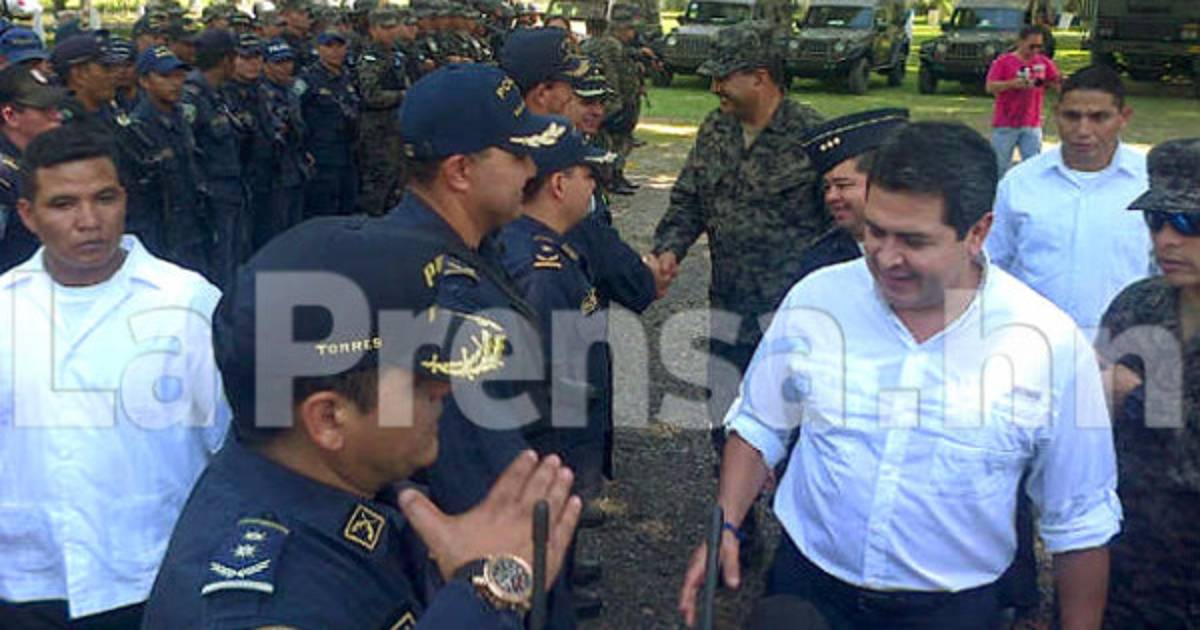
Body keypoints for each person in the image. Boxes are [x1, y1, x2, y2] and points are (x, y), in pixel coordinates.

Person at [677, 121, 1121, 630]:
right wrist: (727, 523)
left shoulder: (1050, 346)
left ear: (978, 232)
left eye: (914, 241)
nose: (887, 258)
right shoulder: (816, 299)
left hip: (951, 612)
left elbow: (1080, 520)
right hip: (807, 592)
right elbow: (760, 423)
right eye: (876, 231)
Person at [140, 216, 584, 629]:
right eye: (420, 378)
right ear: (329, 419)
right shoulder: (262, 608)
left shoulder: (336, 485)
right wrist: (489, 594)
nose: (445, 387)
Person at [0, 126, 229, 629]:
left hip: (154, 574)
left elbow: (230, 443)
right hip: (29, 581)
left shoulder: (184, 302)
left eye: (104, 198)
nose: (89, 221)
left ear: (124, 199)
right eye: (63, 204)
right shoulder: (5, 308)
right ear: (28, 216)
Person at [650, 20, 825, 556]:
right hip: (727, 308)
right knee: (728, 422)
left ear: (760, 77)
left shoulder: (813, 137)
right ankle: (737, 534)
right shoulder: (715, 129)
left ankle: (803, 545)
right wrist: (669, 249)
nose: (714, 88)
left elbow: (843, 225)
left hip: (792, 320)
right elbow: (689, 198)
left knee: (800, 430)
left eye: (724, 77)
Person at [1095, 137, 1200, 629]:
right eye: (1156, 221)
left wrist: (1136, 397)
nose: (1166, 240)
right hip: (1131, 566)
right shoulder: (1137, 304)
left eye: (1188, 223)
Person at [987, 64, 1150, 337]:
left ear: (1124, 117)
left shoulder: (1148, 183)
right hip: (1033, 344)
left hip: (1126, 346)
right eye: (1072, 116)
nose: (1083, 130)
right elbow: (992, 266)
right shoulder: (1020, 183)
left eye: (1099, 118)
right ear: (1056, 114)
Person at [119, 45, 210, 278]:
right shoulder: (138, 128)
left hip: (192, 222)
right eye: (165, 77)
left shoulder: (180, 116)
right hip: (163, 232)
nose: (175, 83)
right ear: (144, 81)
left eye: (179, 76)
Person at [793, 108, 909, 283]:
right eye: (827, 187)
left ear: (884, 182)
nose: (831, 197)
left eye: (843, 185)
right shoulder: (822, 259)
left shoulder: (932, 245)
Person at [183, 29, 248, 288]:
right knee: (219, 264)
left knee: (233, 258)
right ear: (226, 60)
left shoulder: (218, 93)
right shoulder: (192, 96)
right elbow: (188, 150)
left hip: (231, 190)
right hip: (212, 196)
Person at [0, 64, 62, 273]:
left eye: (56, 107)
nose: (57, 115)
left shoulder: (40, 158)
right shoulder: (4, 178)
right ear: (10, 115)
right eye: (45, 109)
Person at [582, 3, 643, 195]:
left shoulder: (586, 46)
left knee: (608, 140)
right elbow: (623, 76)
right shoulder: (612, 46)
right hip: (614, 101)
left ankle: (612, 176)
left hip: (602, 99)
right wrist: (628, 97)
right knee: (617, 140)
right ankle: (613, 177)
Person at [355, 6, 410, 216]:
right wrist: (401, 95)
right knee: (379, 180)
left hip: (396, 125)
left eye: (393, 27)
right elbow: (370, 95)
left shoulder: (397, 55)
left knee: (398, 178)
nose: (391, 32)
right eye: (385, 28)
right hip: (378, 129)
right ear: (373, 30)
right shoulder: (370, 58)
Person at [298, 29, 359, 218]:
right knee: (323, 209)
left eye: (339, 46)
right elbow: (295, 114)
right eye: (329, 46)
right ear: (318, 49)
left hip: (347, 151)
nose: (335, 51)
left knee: (348, 205)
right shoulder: (308, 79)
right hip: (322, 155)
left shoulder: (348, 76)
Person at [985, 25, 1061, 173]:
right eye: (1031, 46)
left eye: (1039, 46)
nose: (1035, 51)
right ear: (1020, 42)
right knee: (999, 166)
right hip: (1006, 123)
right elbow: (990, 87)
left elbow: (1056, 82)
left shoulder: (1043, 62)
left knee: (1033, 168)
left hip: (1031, 123)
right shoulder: (1003, 62)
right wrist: (1011, 84)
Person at [259, 39, 309, 245]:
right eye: (278, 63)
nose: (285, 67)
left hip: (295, 166)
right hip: (274, 171)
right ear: (265, 65)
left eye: (288, 62)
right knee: (277, 230)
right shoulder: (261, 93)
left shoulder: (292, 90)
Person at [51, 35, 116, 124]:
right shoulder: (63, 126)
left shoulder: (111, 110)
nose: (114, 74)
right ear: (79, 75)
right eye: (106, 68)